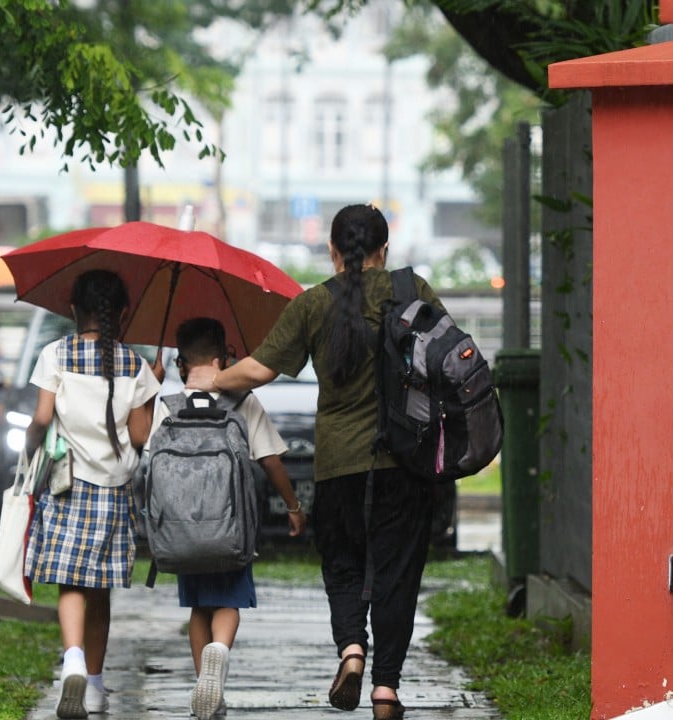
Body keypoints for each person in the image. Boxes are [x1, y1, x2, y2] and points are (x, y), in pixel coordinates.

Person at [188, 204, 442, 720]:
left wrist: (212, 378)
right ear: (384, 251)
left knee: (343, 566)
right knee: (397, 576)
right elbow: (449, 358)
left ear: (332, 251)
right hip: (404, 465)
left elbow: (258, 370)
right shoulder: (412, 290)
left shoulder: (313, 304)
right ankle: (386, 690)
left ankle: (351, 649)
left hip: (339, 464)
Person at [149, 317, 308, 720]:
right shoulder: (242, 402)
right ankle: (219, 653)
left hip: (182, 532)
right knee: (229, 601)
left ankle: (206, 680)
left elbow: (145, 458)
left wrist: (153, 382)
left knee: (198, 608)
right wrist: (292, 505)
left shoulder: (167, 407)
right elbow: (271, 461)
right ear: (223, 359)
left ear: (182, 362)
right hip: (230, 527)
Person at [24, 269, 161, 719]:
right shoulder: (134, 365)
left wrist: (29, 453)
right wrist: (151, 389)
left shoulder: (54, 355)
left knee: (71, 581)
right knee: (100, 586)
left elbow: (42, 419)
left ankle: (74, 661)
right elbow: (141, 436)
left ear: (71, 310)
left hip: (67, 484)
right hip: (115, 490)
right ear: (122, 314)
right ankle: (97, 685)